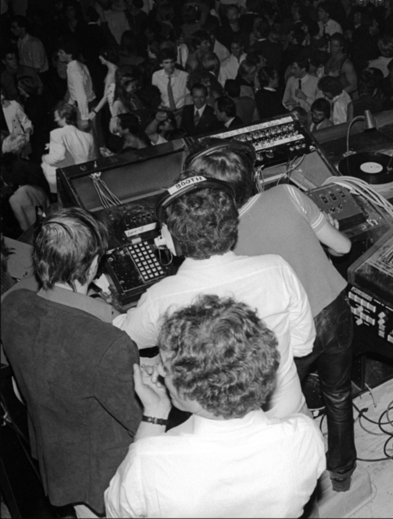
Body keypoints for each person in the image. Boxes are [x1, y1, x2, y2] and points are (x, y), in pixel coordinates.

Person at [182, 141, 357, 491]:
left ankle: (296, 484)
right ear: (252, 176)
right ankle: (342, 474)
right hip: (334, 311)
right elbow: (343, 247)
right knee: (338, 395)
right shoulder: (288, 195)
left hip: (287, 332)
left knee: (279, 411)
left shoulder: (219, 241)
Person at [105, 295, 326, 517]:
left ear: (190, 391)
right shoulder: (305, 437)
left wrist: (155, 413)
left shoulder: (149, 464)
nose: (160, 371)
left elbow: (117, 511)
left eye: (165, 364)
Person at [113, 179, 315, 419]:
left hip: (219, 427)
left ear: (172, 239)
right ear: (231, 225)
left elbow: (126, 338)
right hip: (287, 412)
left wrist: (113, 316)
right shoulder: (277, 267)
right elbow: (303, 345)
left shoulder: (160, 297)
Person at [1, 207, 142, 518]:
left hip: (61, 462)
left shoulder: (11, 306)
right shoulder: (109, 345)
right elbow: (143, 422)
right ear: (92, 266)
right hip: (107, 481)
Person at [41, 102, 96, 194]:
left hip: (69, 180)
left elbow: (59, 156)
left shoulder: (56, 133)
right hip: (86, 178)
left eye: (56, 117)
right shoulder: (88, 136)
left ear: (64, 117)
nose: (55, 120)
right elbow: (91, 159)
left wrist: (45, 158)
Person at [57, 38, 97, 131]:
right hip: (87, 104)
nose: (58, 55)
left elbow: (81, 95)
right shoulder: (79, 65)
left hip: (84, 107)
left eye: (61, 52)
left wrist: (84, 117)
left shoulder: (74, 70)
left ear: (70, 54)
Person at [151, 48, 190, 113]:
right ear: (161, 64)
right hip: (163, 111)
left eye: (172, 62)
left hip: (181, 111)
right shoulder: (156, 75)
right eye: (166, 63)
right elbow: (155, 96)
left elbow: (188, 97)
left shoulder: (185, 76)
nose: (170, 65)